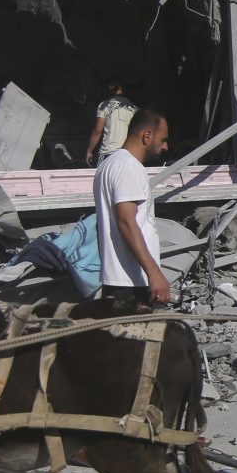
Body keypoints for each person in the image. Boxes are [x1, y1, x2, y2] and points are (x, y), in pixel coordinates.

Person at [93, 107, 171, 307]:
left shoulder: (109, 164)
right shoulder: (129, 167)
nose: (165, 147)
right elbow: (126, 221)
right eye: (163, 139)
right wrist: (154, 273)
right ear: (147, 136)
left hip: (119, 282)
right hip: (131, 285)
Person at [86, 78, 135, 166]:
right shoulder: (134, 108)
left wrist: (89, 151)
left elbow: (98, 130)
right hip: (127, 153)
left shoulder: (104, 106)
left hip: (108, 153)